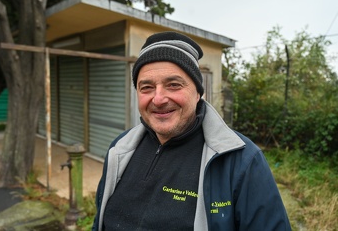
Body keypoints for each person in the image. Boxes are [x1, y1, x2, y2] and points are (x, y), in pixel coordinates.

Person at [92, 31, 291, 230]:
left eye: (173, 85)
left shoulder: (241, 162)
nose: (158, 99)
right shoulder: (120, 149)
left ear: (197, 93)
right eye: (147, 87)